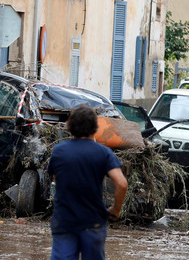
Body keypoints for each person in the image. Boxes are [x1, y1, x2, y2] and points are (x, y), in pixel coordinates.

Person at [47, 104, 128, 260]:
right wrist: (115, 209)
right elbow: (122, 183)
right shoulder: (103, 153)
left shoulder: (59, 151)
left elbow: (57, 179)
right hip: (93, 222)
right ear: (94, 128)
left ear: (70, 126)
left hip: (64, 221)